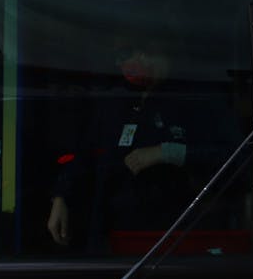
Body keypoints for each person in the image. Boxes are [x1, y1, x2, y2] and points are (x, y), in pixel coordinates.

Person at [47, 38, 239, 252]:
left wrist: (167, 153)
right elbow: (86, 154)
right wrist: (61, 196)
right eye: (118, 58)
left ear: (151, 49)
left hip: (178, 236)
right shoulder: (117, 101)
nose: (123, 64)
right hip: (116, 236)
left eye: (126, 53)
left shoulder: (197, 98)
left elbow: (234, 158)